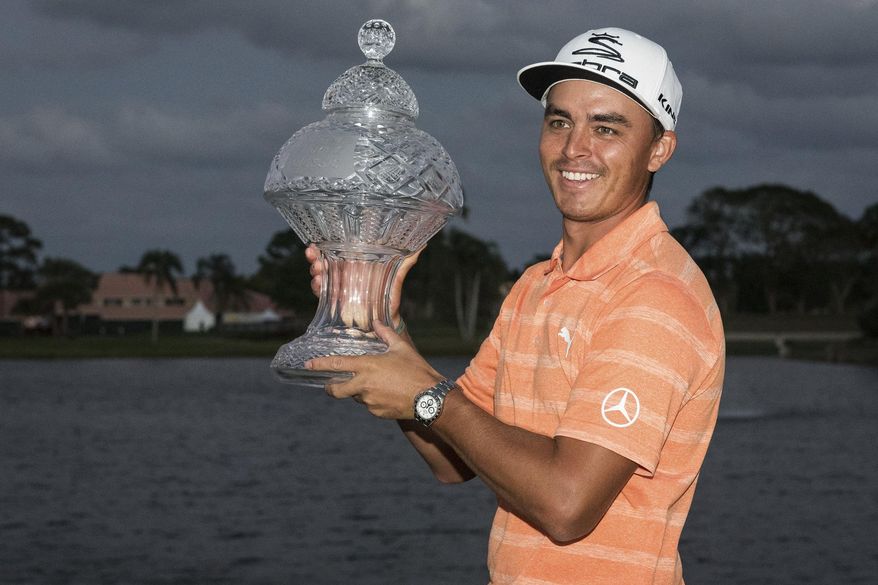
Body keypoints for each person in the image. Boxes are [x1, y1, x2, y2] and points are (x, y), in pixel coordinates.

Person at [306, 26, 724, 585]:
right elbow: (451, 459)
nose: (575, 148)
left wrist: (426, 396)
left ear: (659, 149)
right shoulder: (535, 285)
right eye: (560, 121)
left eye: (607, 127)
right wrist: (381, 327)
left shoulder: (655, 297)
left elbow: (566, 505)